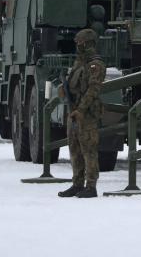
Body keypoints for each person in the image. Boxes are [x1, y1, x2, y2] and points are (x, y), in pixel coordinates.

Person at [58, 28, 106, 198]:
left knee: (89, 150)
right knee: (74, 149)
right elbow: (74, 85)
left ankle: (91, 186)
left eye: (80, 43)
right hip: (74, 112)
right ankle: (77, 184)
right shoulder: (79, 63)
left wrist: (81, 110)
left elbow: (93, 89)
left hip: (86, 115)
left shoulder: (95, 64)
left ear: (87, 44)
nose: (77, 45)